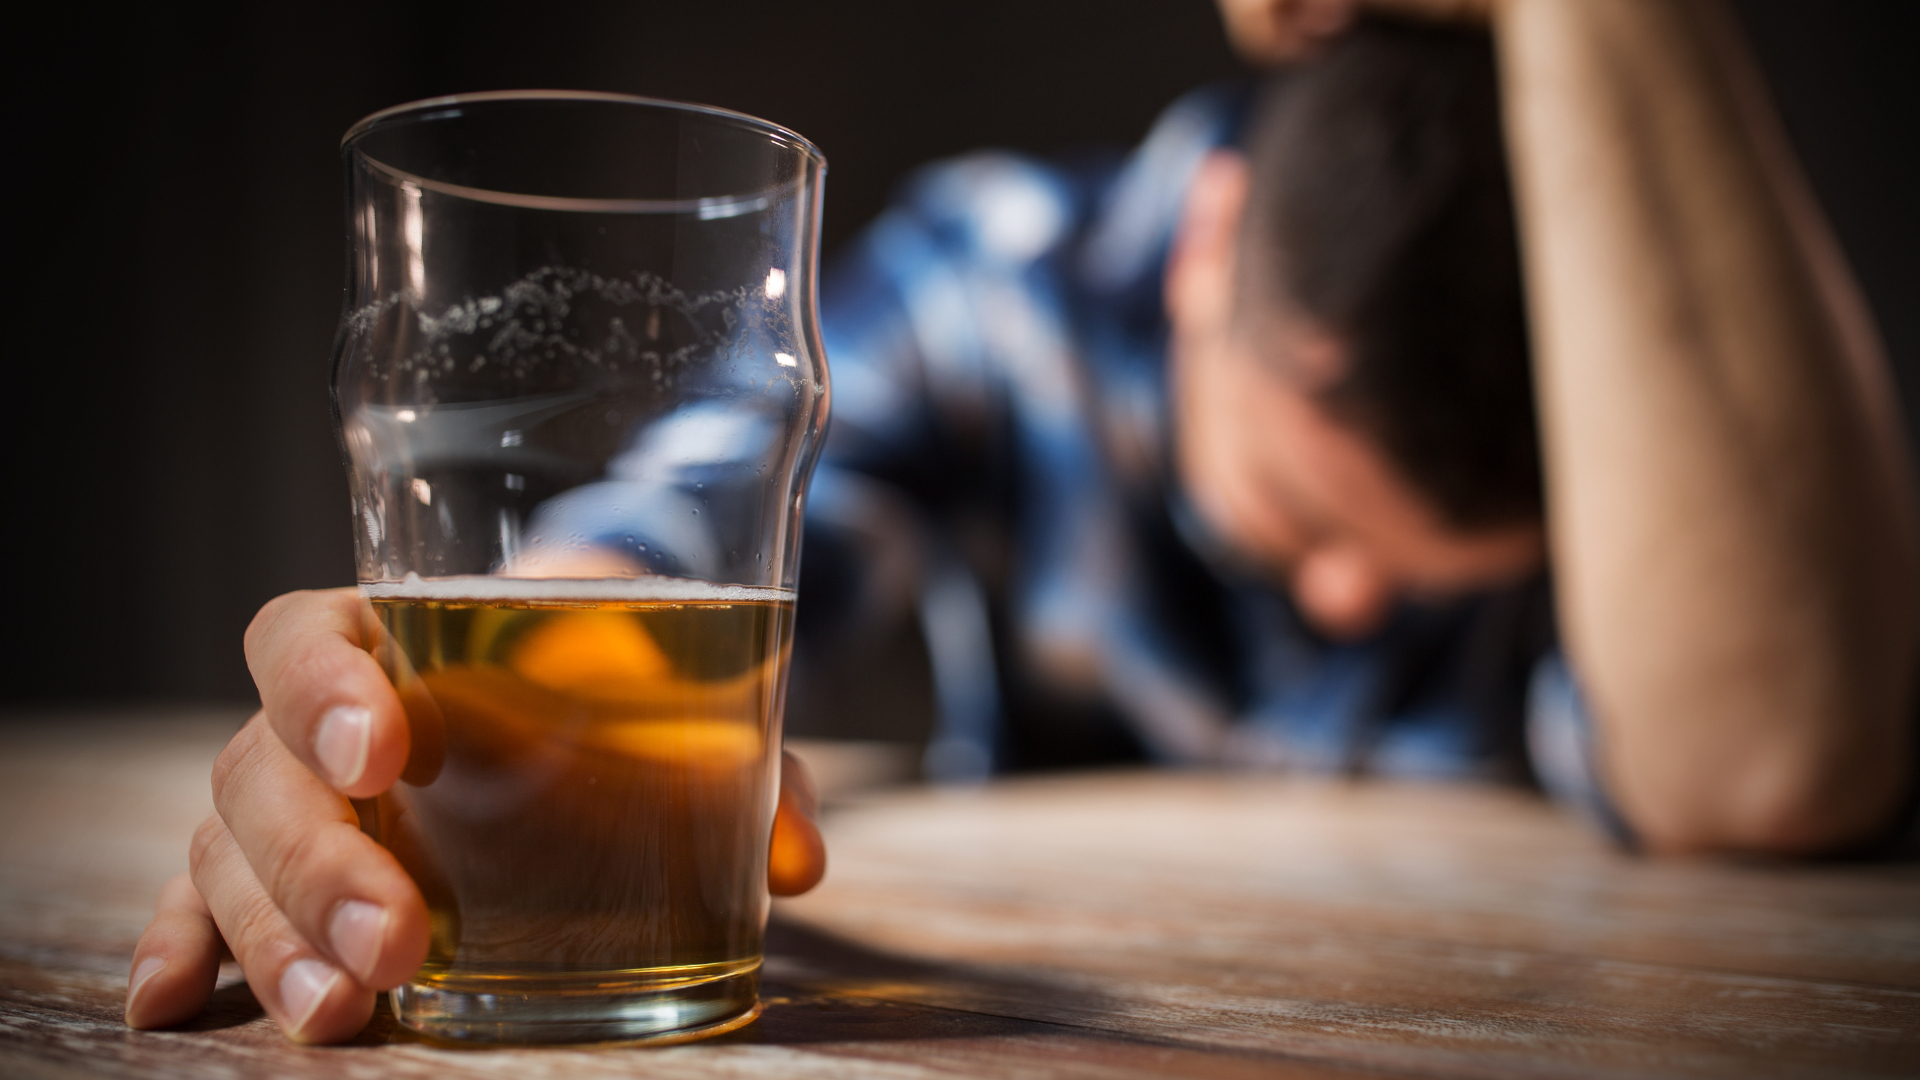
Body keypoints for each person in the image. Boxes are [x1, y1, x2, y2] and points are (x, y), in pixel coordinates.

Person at [124, 0, 1920, 1044]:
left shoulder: (1673, 448)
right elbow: (658, 533)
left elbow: (1765, 765)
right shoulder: (1012, 289)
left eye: (1430, 578)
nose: (1358, 606)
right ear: (1205, 243)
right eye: (1303, 519)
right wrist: (450, 716)